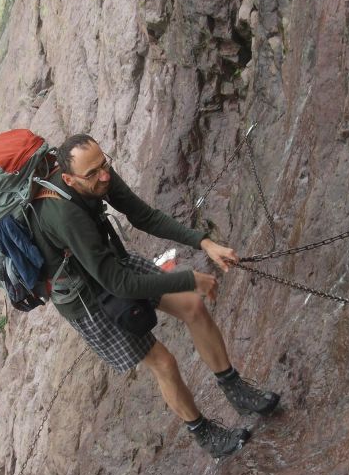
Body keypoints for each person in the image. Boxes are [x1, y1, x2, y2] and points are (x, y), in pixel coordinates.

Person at [30, 134, 280, 458]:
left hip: (109, 263)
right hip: (86, 298)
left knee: (192, 306)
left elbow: (143, 216)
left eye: (104, 164)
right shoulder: (65, 215)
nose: (104, 176)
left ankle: (235, 389)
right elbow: (117, 284)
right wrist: (188, 278)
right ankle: (204, 433)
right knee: (163, 361)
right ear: (68, 178)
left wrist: (204, 242)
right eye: (92, 174)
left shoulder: (99, 174)